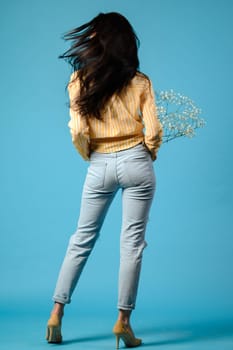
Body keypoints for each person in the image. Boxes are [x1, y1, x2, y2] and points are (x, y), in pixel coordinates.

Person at [46, 12, 163, 349]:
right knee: (132, 244)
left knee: (81, 239)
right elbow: (154, 131)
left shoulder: (79, 81)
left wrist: (91, 155)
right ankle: (123, 322)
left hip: (99, 163)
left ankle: (56, 313)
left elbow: (79, 131)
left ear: (95, 38)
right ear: (126, 42)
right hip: (136, 160)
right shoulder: (140, 81)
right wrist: (147, 153)